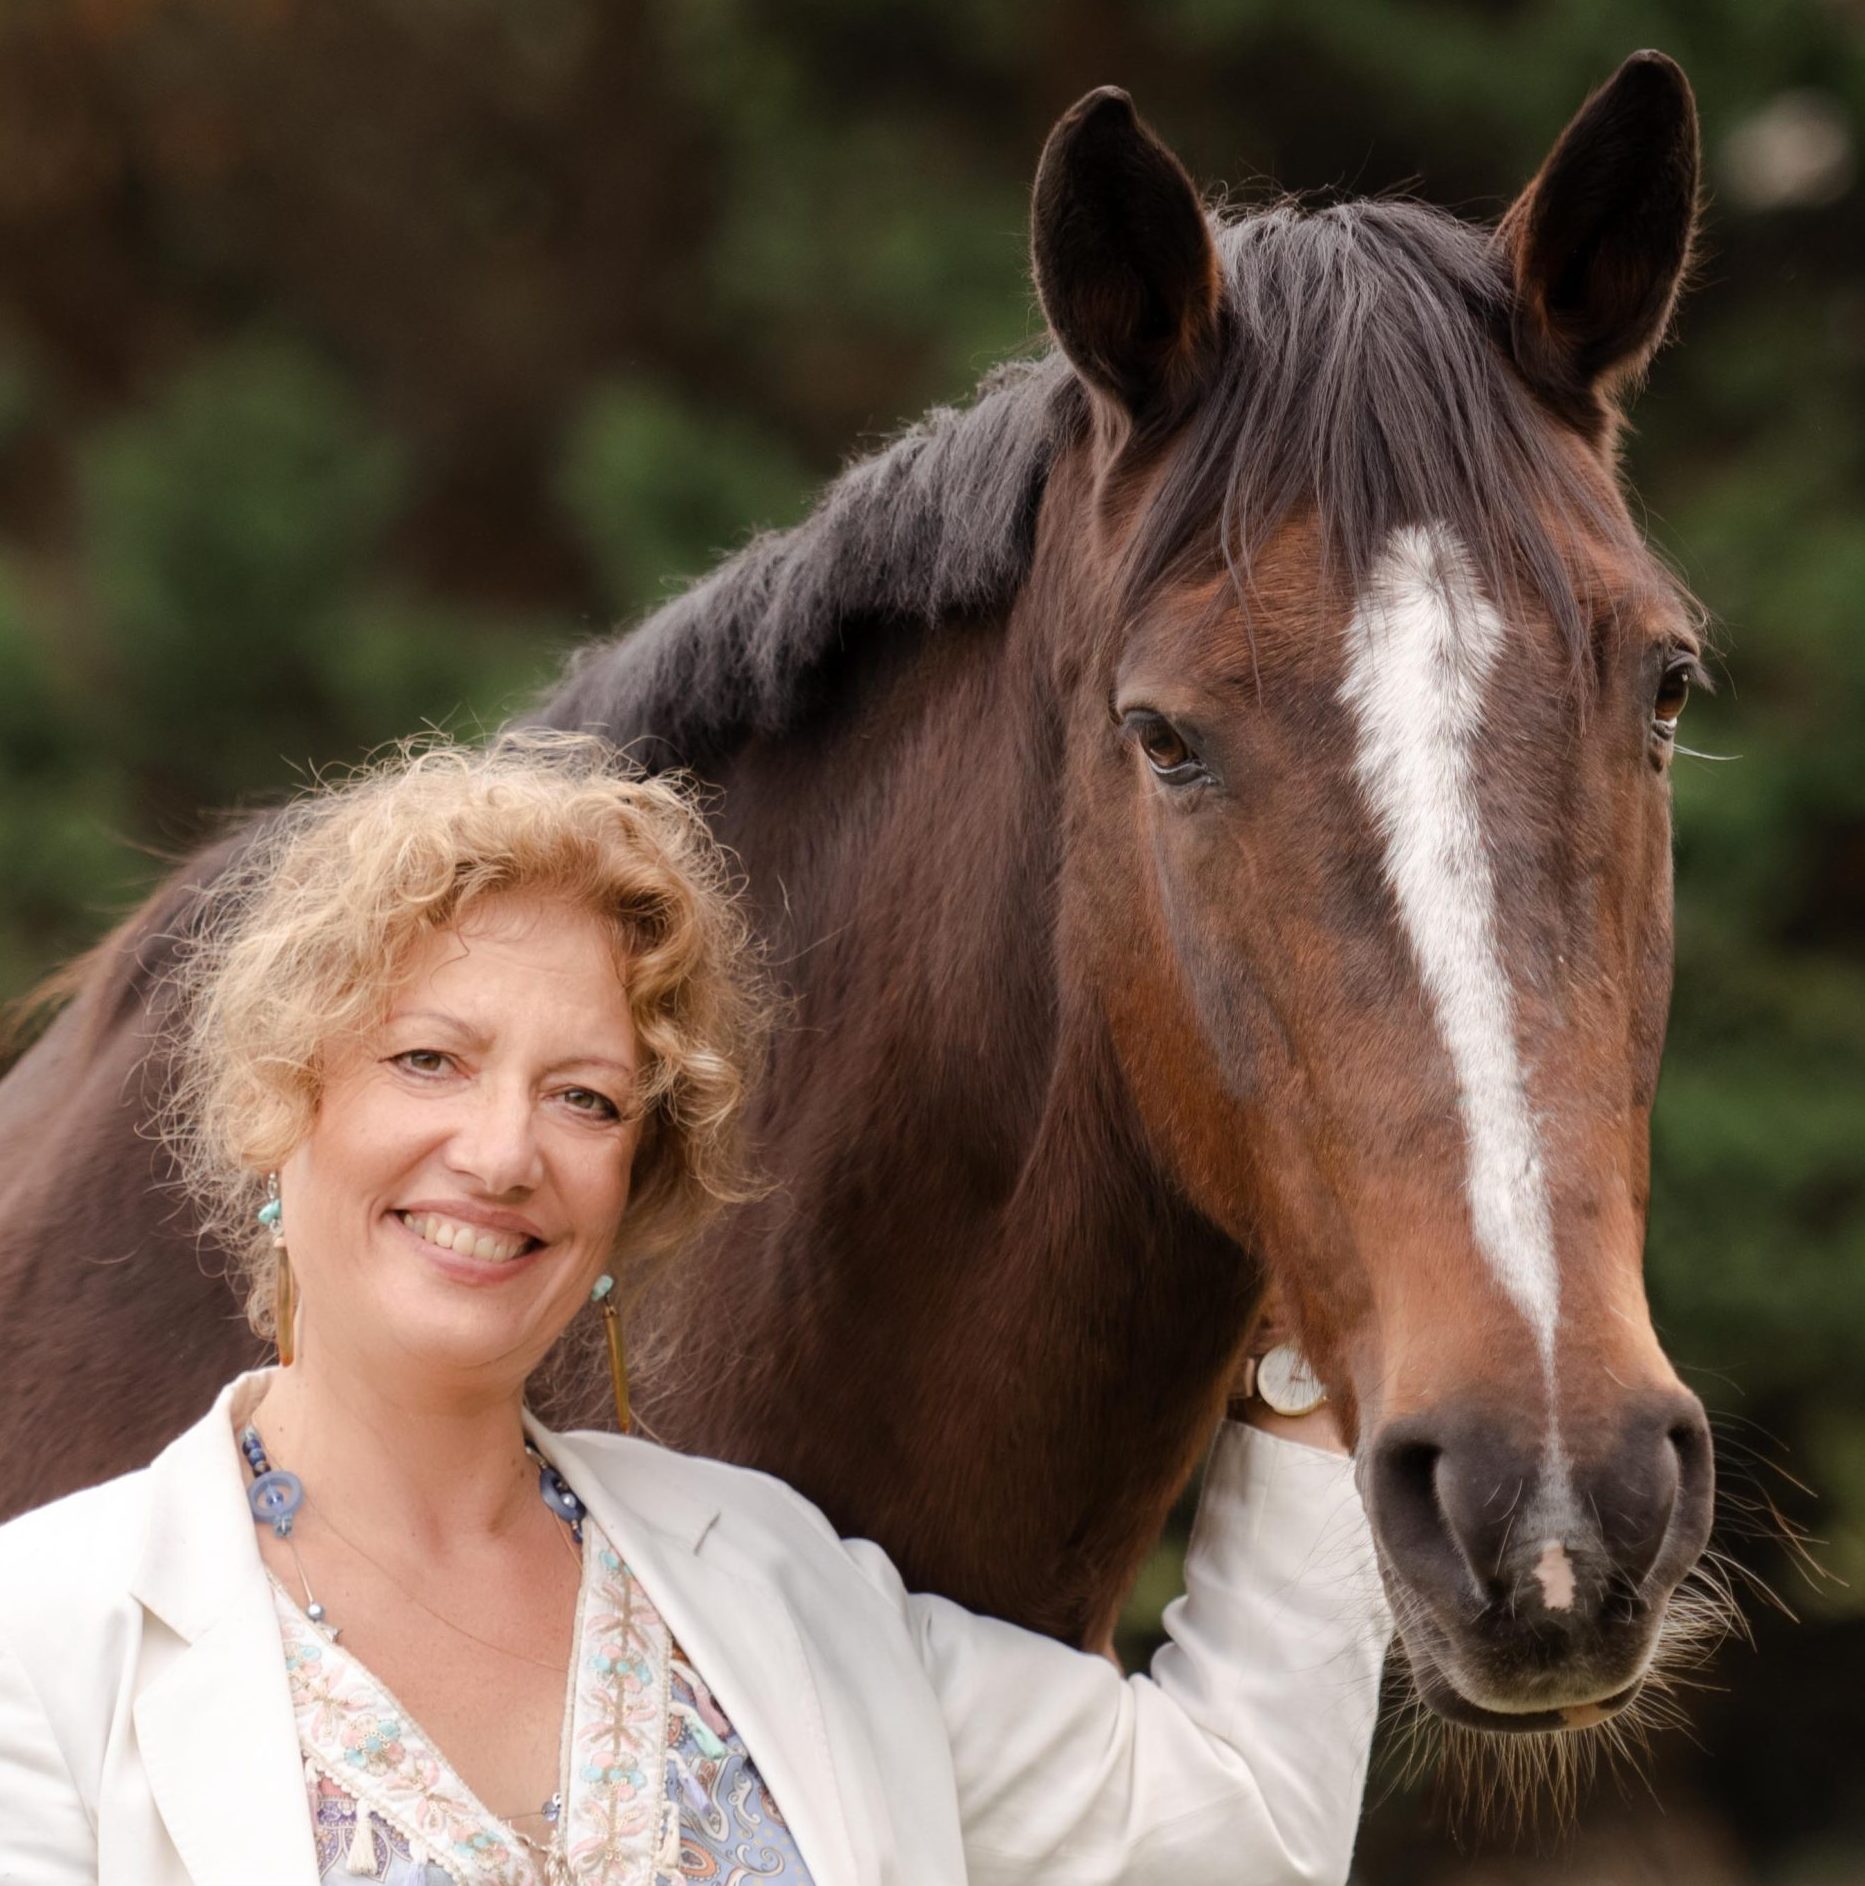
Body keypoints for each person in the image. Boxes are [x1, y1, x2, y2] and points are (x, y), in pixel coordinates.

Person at [0, 730, 1392, 1885]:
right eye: (429, 1059)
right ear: (281, 1103)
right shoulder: (46, 1644)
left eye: (584, 1097)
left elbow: (1244, 1826)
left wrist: (1300, 1367)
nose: (500, 1151)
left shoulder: (777, 1584)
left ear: (631, 1184)